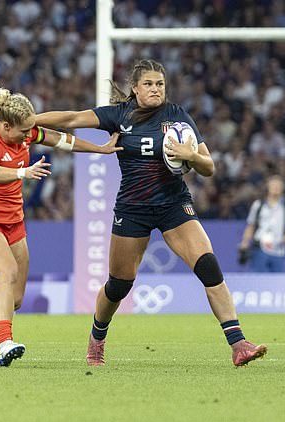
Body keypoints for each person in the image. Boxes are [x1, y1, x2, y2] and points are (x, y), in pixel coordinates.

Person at [36, 59, 267, 367]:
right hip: (133, 209)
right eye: (148, 84)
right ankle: (97, 338)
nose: (156, 89)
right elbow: (72, 118)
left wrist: (191, 156)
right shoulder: (119, 116)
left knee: (209, 267)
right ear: (135, 88)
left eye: (160, 84)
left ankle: (238, 344)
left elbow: (209, 167)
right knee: (119, 285)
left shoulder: (177, 116)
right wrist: (30, 120)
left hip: (174, 206)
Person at [0, 87, 121, 367]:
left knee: (14, 299)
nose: (30, 134)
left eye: (31, 129)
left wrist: (99, 150)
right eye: (24, 130)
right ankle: (5, 344)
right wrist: (23, 173)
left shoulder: (25, 132)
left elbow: (61, 140)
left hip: (14, 223)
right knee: (7, 273)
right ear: (5, 126)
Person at [239, 175, 285, 272]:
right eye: (273, 185)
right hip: (259, 248)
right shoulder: (258, 205)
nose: (275, 188)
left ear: (283, 188)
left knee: (278, 282)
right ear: (268, 187)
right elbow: (251, 226)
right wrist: (245, 242)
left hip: (278, 248)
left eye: (278, 185)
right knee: (258, 281)